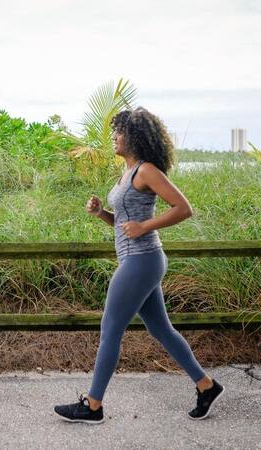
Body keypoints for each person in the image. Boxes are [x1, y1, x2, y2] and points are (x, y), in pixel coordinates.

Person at [53, 107, 225, 424]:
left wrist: (145, 227)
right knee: (160, 329)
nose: (114, 137)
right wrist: (101, 213)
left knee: (110, 331)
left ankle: (92, 406)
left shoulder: (146, 171)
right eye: (114, 131)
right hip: (140, 259)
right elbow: (123, 223)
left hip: (141, 259)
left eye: (119, 132)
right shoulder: (127, 174)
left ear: (134, 136)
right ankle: (206, 385)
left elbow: (184, 208)